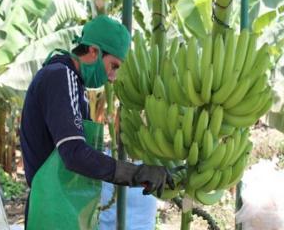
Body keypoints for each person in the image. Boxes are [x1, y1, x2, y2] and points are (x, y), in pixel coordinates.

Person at [20, 15, 174, 230]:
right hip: (54, 211)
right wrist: (135, 174)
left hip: (64, 208)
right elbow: (74, 153)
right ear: (93, 51)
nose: (112, 77)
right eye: (113, 65)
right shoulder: (60, 77)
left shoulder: (72, 82)